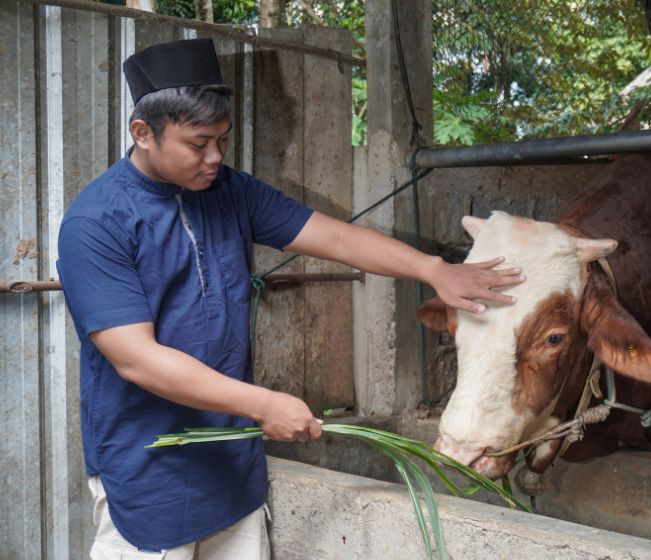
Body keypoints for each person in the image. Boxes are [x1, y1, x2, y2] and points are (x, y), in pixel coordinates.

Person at [57, 38, 524, 559]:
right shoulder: (97, 222)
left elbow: (337, 238)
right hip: (148, 463)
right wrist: (263, 404)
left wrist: (433, 269)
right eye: (198, 143)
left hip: (231, 458)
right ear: (143, 133)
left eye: (223, 140)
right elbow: (136, 360)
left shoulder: (228, 190)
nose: (215, 157)